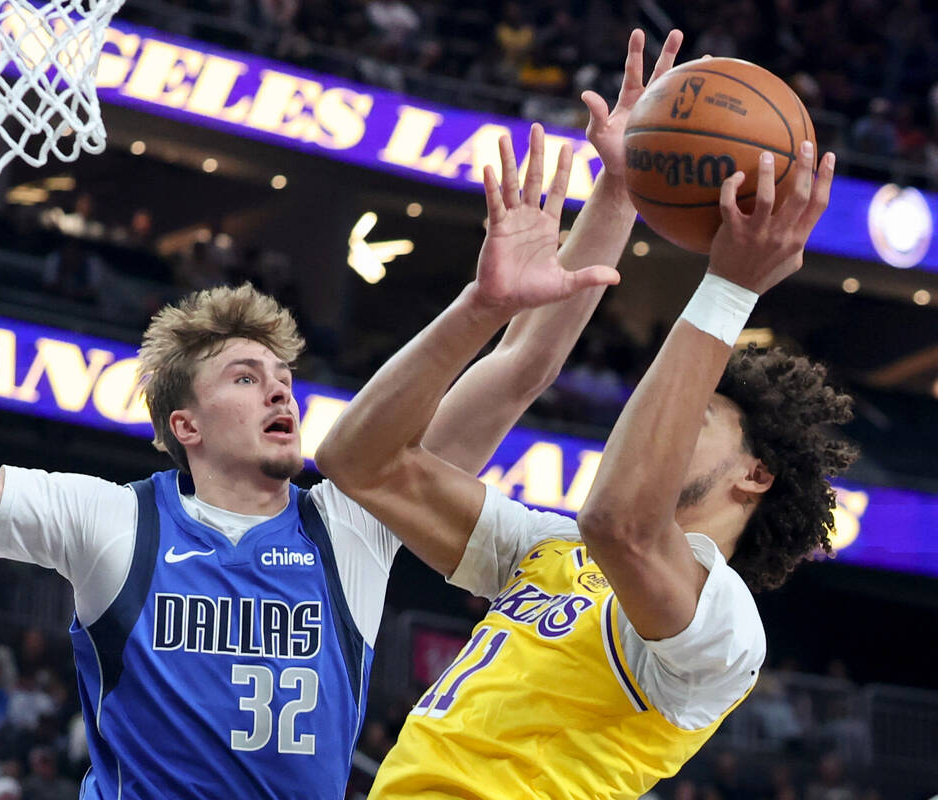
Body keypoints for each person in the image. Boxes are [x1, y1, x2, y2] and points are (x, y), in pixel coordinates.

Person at [0, 30, 667, 800]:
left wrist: (619, 193)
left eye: (282, 377)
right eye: (245, 377)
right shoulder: (114, 522)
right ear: (184, 427)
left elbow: (523, 367)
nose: (280, 391)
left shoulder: (352, 523)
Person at [316, 40, 852, 800]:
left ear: (756, 475)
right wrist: (611, 200)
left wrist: (730, 291)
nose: (656, 427)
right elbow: (358, 461)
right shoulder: (545, 546)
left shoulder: (724, 625)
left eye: (694, 417)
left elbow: (621, 522)